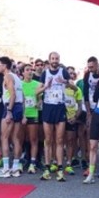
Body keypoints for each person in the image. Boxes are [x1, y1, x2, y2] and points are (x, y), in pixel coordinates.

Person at [37, 52, 74, 182]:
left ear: (59, 60)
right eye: (52, 59)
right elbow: (36, 91)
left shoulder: (63, 72)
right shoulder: (44, 73)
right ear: (49, 60)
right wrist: (45, 87)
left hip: (59, 107)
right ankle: (47, 168)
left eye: (57, 59)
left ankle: (59, 168)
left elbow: (74, 87)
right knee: (48, 139)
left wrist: (65, 82)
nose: (54, 61)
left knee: (59, 139)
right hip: (48, 107)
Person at [0, 56, 24, 178]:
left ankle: (6, 168)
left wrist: (9, 111)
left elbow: (13, 95)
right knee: (16, 138)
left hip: (10, 106)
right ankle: (15, 168)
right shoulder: (17, 77)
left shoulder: (8, 76)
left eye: (0, 64)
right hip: (18, 107)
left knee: (4, 137)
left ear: (5, 66)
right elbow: (22, 96)